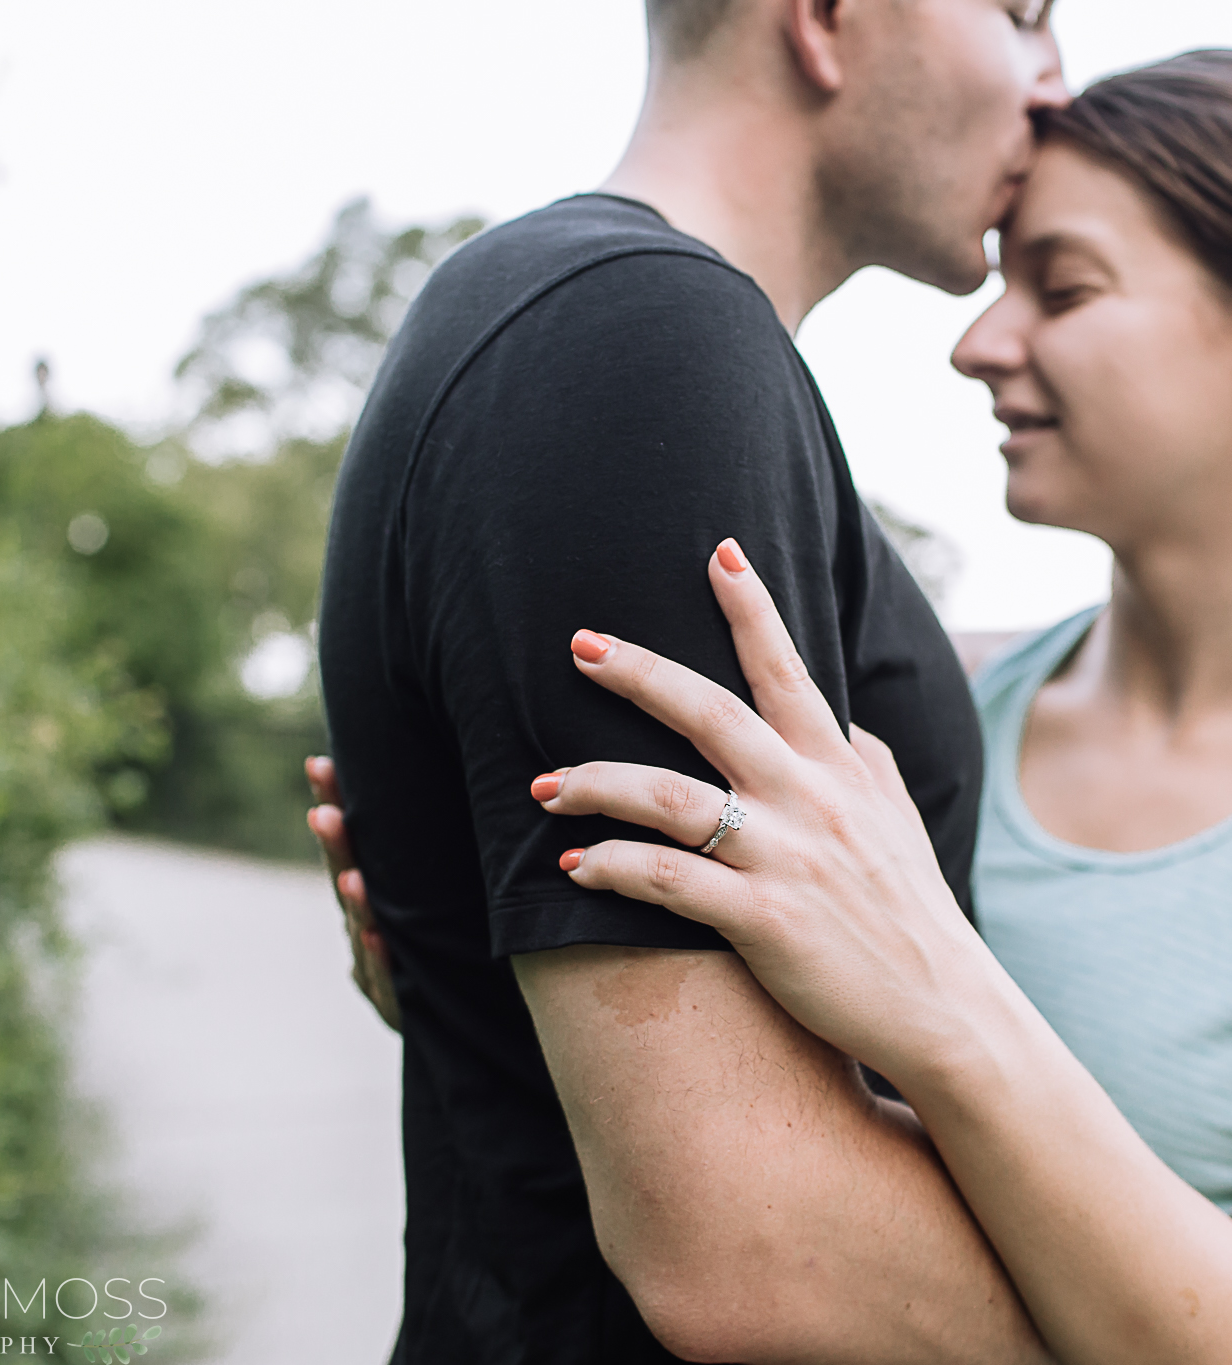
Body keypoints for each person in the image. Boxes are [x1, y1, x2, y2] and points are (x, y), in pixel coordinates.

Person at [431, 51, 1232, 1365]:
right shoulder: (925, 724)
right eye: (999, 278)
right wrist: (473, 980)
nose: (979, 340)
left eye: (1064, 286)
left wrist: (940, 996)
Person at [312, 0, 1068, 1360]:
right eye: (1023, 12)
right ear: (829, 20)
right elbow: (759, 1252)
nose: (1054, 82)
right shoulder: (639, 337)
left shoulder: (605, 326)